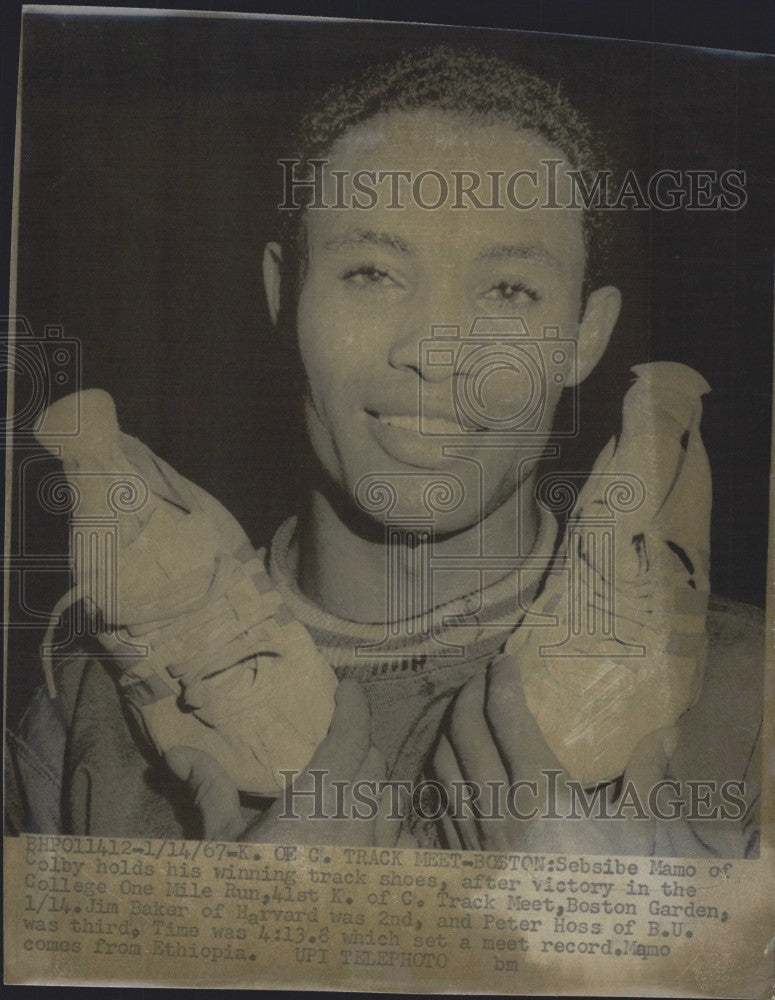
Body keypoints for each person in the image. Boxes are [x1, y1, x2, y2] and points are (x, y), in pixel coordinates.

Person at [5, 45, 763, 857]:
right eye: (370, 273)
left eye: (507, 289)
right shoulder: (82, 703)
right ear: (282, 294)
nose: (434, 352)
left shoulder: (747, 692)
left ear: (584, 336)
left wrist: (613, 940)